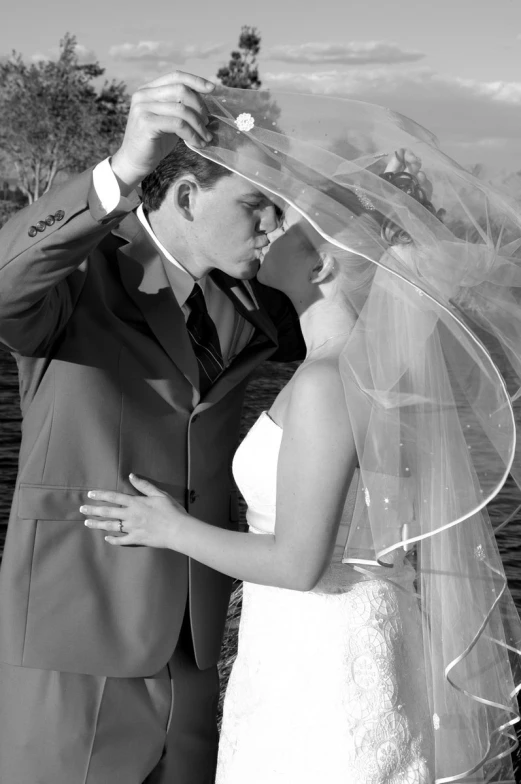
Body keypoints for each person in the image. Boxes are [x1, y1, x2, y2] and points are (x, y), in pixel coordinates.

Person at [82, 86, 521, 783]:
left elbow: (297, 564)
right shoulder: (372, 374)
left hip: (320, 663)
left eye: (281, 220)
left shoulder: (324, 385)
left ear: (319, 267)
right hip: (353, 641)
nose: (263, 227)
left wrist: (165, 527)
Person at [0, 71, 306, 783]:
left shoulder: (252, 301)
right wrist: (121, 170)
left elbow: (358, 332)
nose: (274, 229)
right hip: (77, 634)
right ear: (187, 194)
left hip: (196, 642)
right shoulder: (77, 282)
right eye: (258, 207)